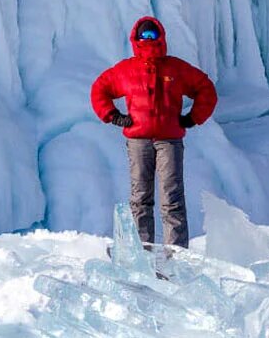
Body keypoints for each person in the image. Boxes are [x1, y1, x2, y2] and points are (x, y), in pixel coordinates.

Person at [90, 16, 217, 248]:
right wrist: (114, 116)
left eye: (152, 35)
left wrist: (193, 118)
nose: (148, 39)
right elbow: (100, 89)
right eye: (144, 36)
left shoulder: (175, 68)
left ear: (161, 37)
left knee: (172, 199)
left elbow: (205, 89)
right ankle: (142, 254)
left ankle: (176, 257)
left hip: (169, 141)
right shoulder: (126, 70)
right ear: (136, 39)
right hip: (138, 141)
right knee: (140, 199)